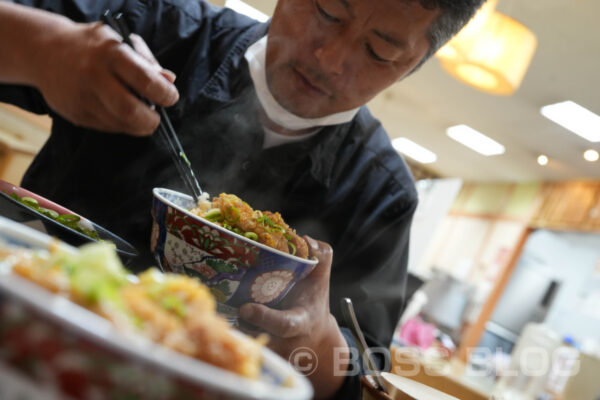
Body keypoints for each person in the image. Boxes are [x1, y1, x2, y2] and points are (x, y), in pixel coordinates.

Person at [0, 0, 485, 398]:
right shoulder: (159, 27)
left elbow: (363, 372)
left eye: (378, 52)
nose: (329, 58)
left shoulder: (382, 194)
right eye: (328, 13)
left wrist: (314, 340)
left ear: (413, 67)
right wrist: (38, 49)